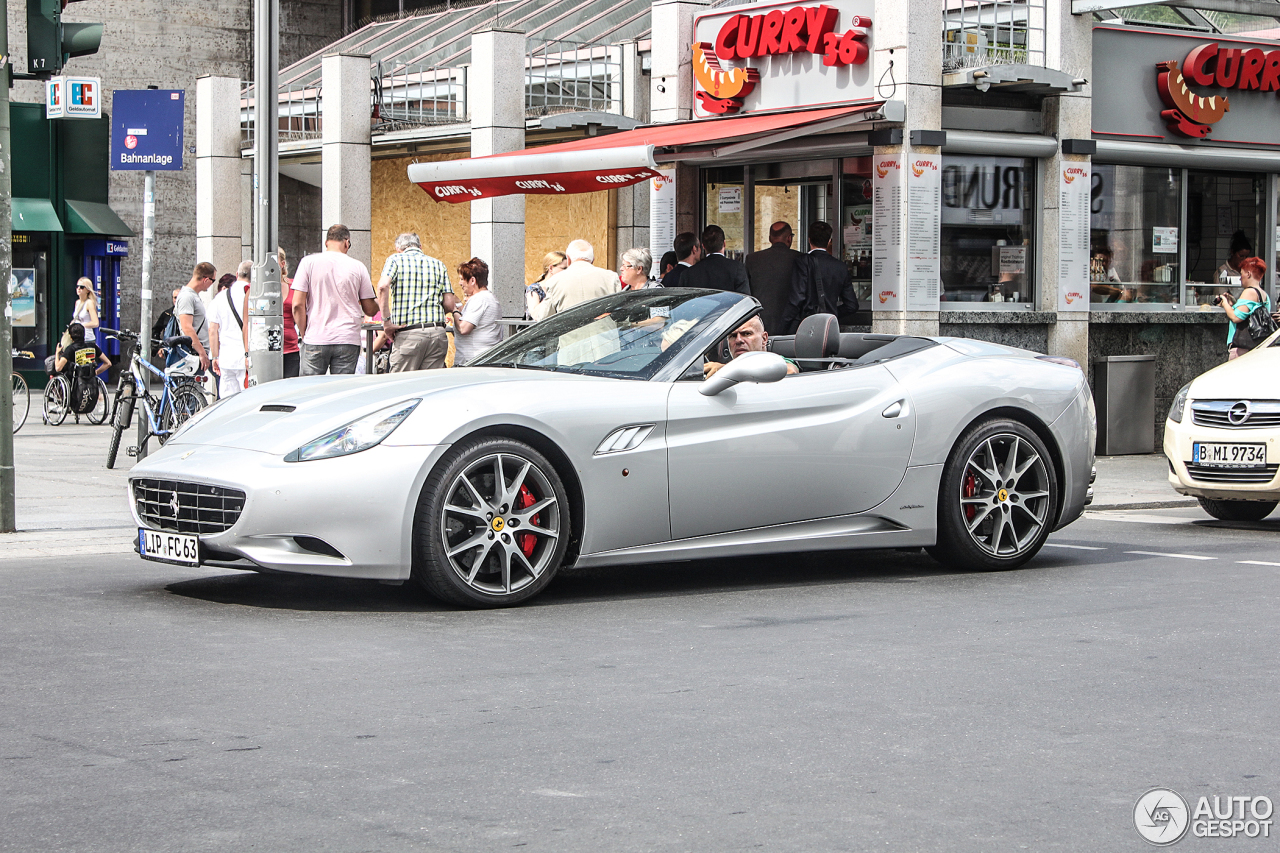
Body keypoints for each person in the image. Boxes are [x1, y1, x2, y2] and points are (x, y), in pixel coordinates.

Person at [292, 224, 378, 376]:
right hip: (347, 338)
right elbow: (370, 309)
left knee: (310, 391)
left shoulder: (308, 263)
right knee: (341, 391)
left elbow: (297, 304)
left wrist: (305, 332)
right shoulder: (358, 267)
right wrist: (380, 303)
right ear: (347, 243)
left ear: (326, 243)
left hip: (316, 337)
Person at [376, 232, 452, 372]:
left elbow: (382, 286)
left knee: (401, 386)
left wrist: (386, 321)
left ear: (398, 249)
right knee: (430, 386)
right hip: (437, 333)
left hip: (408, 334)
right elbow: (449, 303)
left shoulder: (395, 259)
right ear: (420, 247)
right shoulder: (439, 264)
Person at [781, 221, 860, 334]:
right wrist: (831, 313)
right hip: (829, 328)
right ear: (829, 242)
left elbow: (797, 298)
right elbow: (852, 305)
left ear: (809, 239)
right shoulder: (840, 267)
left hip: (806, 326)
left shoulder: (803, 262)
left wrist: (783, 325)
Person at [530, 239, 621, 320]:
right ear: (593, 260)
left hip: (571, 338)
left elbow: (544, 317)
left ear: (568, 259)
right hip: (604, 337)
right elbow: (619, 313)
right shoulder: (611, 277)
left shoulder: (554, 281)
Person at [745, 221, 802, 334]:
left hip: (761, 323)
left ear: (770, 238)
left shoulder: (752, 259)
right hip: (792, 326)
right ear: (789, 238)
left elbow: (747, 293)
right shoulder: (801, 259)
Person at [702, 316, 799, 378]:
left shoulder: (777, 361)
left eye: (746, 334)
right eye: (733, 336)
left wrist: (726, 370)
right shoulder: (721, 367)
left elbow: (790, 371)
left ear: (764, 339)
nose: (738, 340)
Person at [450, 258, 504, 367]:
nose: (460, 283)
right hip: (484, 360)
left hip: (473, 362)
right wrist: (459, 306)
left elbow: (463, 328)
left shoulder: (479, 299)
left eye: (462, 279)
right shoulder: (489, 298)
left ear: (473, 280)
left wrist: (453, 310)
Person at [209, 261, 251, 398]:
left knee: (227, 402)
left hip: (226, 358)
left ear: (237, 274)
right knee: (247, 400)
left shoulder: (220, 297)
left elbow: (213, 329)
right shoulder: (253, 295)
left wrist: (215, 356)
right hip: (247, 358)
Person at [1217, 256, 1271, 360]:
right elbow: (1248, 313)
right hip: (1255, 347)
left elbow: (1236, 317)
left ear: (1248, 274)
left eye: (1241, 274)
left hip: (1242, 348)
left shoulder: (1249, 292)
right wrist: (1233, 303)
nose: (1240, 278)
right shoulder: (1264, 294)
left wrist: (1224, 303)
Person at [54, 322, 111, 415]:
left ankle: (61, 403)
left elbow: (58, 367)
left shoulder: (70, 349)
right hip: (90, 378)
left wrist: (57, 353)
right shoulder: (93, 346)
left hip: (74, 380)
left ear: (70, 337)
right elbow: (108, 363)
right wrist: (95, 372)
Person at [682, 225, 750, 295]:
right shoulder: (737, 268)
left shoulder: (688, 274)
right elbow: (745, 299)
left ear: (703, 246)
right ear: (724, 243)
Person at [176, 262, 217, 373]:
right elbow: (187, 327)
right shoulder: (187, 296)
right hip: (193, 354)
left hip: (196, 353)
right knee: (190, 388)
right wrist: (202, 353)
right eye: (213, 280)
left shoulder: (193, 296)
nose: (211, 284)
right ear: (206, 279)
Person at [526, 251, 569, 319]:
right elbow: (535, 314)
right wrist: (551, 292)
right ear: (551, 268)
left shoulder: (564, 287)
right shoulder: (534, 289)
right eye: (564, 268)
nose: (567, 272)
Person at [279, 247, 301, 378]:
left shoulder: (293, 285)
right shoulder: (256, 288)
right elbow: (247, 323)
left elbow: (301, 311)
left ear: (282, 264)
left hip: (291, 347)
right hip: (266, 350)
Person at [151, 288, 180, 359]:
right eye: (175, 297)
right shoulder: (166, 314)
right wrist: (159, 347)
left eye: (179, 297)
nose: (176, 300)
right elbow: (156, 330)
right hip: (169, 350)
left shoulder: (189, 314)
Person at [71, 278, 100, 343]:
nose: (78, 288)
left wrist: (79, 326)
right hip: (76, 338)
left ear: (88, 290)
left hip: (87, 338)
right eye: (77, 286)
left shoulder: (89, 303)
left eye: (82, 287)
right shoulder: (77, 302)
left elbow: (95, 323)